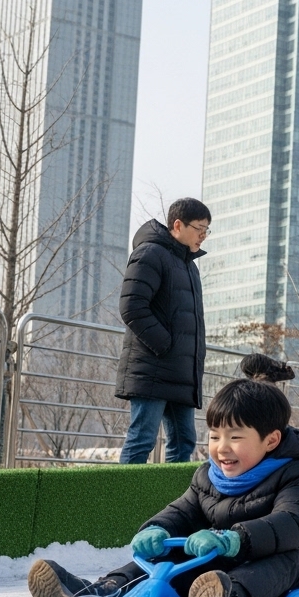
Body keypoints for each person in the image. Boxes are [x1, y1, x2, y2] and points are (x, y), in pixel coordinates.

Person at [27, 354, 299, 597]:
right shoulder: (209, 476)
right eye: (215, 436)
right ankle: (101, 592)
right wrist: (157, 529)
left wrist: (234, 539)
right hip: (226, 564)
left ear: (270, 440)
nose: (222, 447)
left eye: (235, 437)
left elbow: (293, 524)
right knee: (169, 557)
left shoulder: (298, 475)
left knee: (288, 560)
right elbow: (183, 511)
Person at [115, 198, 211, 464]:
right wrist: (165, 346)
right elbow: (131, 307)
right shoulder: (150, 253)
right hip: (153, 369)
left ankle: (176, 505)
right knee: (142, 439)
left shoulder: (189, 266)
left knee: (184, 444)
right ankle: (125, 503)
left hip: (180, 372)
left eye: (207, 230)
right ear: (178, 225)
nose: (203, 236)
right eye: (199, 228)